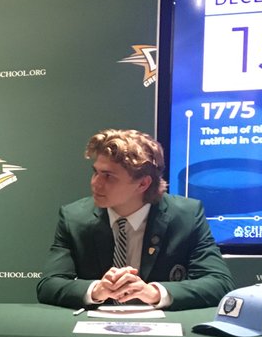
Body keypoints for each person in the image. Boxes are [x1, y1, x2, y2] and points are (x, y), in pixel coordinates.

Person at [36, 128, 232, 310]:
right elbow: (49, 285)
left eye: (108, 176)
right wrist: (97, 290)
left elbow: (219, 283)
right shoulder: (74, 217)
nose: (95, 183)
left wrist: (153, 293)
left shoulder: (187, 215)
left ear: (143, 184)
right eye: (95, 172)